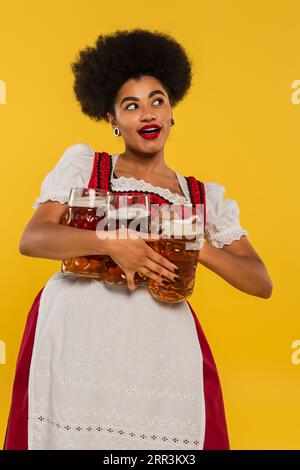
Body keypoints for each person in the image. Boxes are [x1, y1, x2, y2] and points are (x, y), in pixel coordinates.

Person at [3, 28, 272, 450]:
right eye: (131, 106)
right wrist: (109, 242)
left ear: (171, 112)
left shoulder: (202, 197)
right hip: (77, 333)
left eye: (157, 101)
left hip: (158, 346)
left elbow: (261, 282)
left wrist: (195, 244)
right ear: (112, 119)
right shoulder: (85, 167)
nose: (147, 114)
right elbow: (33, 238)